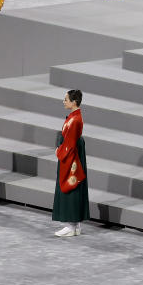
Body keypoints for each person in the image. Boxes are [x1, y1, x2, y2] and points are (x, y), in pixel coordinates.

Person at [52, 89, 90, 236]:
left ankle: (70, 225)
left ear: (74, 102)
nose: (64, 101)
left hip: (71, 154)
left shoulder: (75, 119)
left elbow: (70, 143)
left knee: (70, 184)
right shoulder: (75, 116)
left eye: (66, 99)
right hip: (74, 152)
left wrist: (59, 151)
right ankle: (76, 224)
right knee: (75, 185)